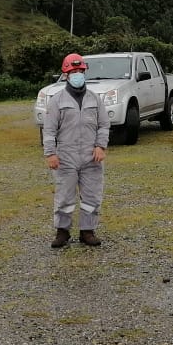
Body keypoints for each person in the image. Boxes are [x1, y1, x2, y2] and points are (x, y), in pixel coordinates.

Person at [42, 52, 110, 248]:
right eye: (74, 71)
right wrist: (51, 153)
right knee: (64, 196)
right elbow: (49, 130)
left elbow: (104, 125)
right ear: (66, 73)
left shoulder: (95, 99)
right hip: (65, 157)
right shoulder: (56, 100)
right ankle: (62, 232)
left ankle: (87, 231)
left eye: (81, 70)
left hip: (92, 157)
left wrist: (100, 146)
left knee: (91, 196)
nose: (78, 74)